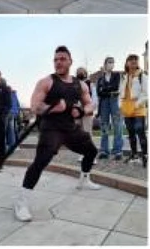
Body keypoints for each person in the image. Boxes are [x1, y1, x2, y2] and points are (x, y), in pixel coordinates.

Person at [14, 46, 99, 222]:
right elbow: (35, 106)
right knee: (40, 162)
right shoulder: (46, 82)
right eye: (55, 59)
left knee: (91, 150)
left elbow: (90, 105)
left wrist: (82, 111)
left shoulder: (80, 84)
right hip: (51, 128)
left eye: (62, 59)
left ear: (70, 61)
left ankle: (84, 179)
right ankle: (21, 202)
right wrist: (53, 108)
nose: (58, 62)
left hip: (70, 128)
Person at [120, 54, 147, 167]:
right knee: (131, 133)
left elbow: (145, 94)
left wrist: (136, 104)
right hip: (126, 109)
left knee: (140, 131)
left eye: (135, 60)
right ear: (127, 63)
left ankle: (145, 155)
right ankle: (134, 154)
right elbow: (120, 93)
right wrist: (120, 105)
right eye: (131, 60)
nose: (133, 61)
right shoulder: (124, 77)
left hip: (138, 109)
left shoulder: (142, 76)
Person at [96, 56, 123, 160]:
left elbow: (116, 87)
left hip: (114, 101)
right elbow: (99, 92)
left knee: (118, 125)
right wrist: (108, 90)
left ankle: (117, 151)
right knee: (105, 126)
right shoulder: (100, 79)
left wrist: (105, 90)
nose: (111, 64)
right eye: (109, 62)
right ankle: (104, 150)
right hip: (104, 103)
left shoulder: (117, 75)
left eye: (112, 62)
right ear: (105, 64)